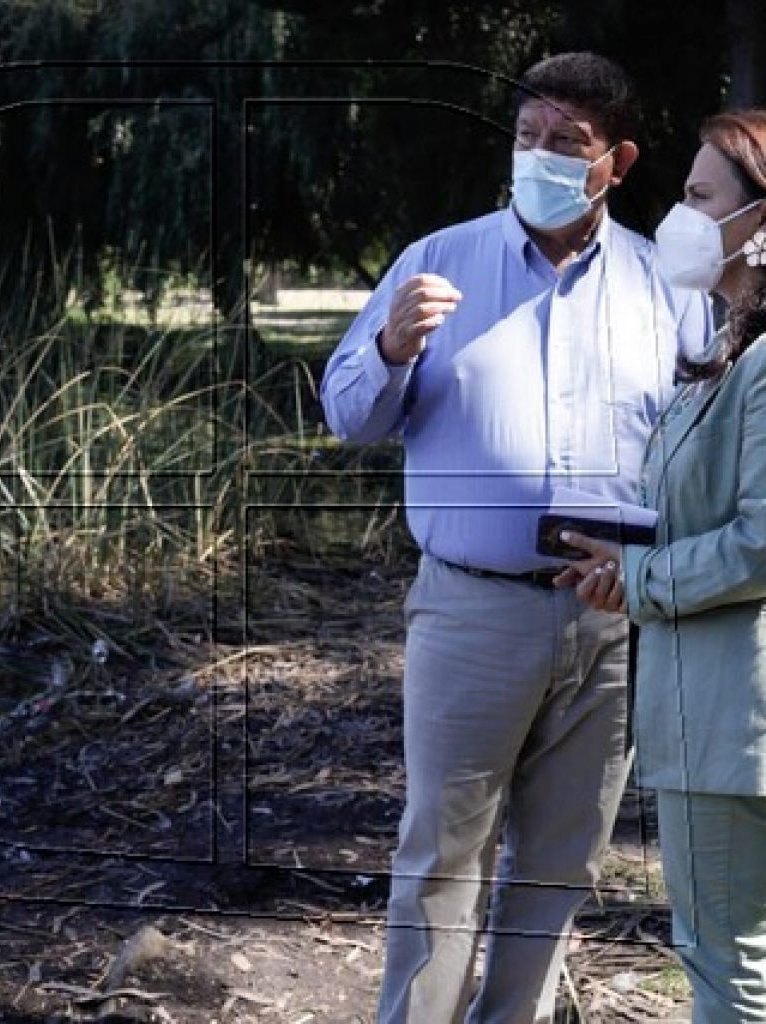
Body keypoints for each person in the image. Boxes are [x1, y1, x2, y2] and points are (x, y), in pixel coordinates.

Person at [320, 51, 713, 1023]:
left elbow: (699, 445)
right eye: (527, 137)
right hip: (472, 610)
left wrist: (661, 568)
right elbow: (347, 416)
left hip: (611, 622)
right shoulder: (436, 262)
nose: (539, 157)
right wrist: (390, 348)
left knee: (561, 862)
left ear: (616, 162)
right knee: (441, 856)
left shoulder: (665, 283)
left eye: (566, 144)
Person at [557, 108, 766, 1023]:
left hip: (734, 724)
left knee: (728, 968)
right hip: (717, 717)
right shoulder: (728, 353)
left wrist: (640, 579)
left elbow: (760, 541)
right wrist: (626, 559)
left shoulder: (763, 366)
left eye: (699, 196)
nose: (679, 216)